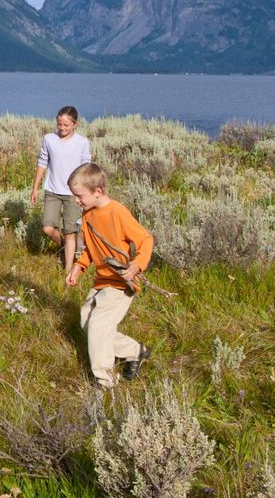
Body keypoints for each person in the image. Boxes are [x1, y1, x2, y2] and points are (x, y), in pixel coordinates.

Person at [64, 163, 154, 388]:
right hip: (102, 280)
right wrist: (79, 266)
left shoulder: (118, 212)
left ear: (97, 192)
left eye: (79, 196)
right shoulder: (87, 215)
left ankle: (105, 381)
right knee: (87, 322)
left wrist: (138, 264)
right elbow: (88, 249)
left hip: (121, 282)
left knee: (98, 327)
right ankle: (136, 351)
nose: (76, 201)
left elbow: (146, 239)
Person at [30, 106, 92, 272]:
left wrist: (86, 193)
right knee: (48, 228)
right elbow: (42, 163)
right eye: (59, 124)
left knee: (70, 231)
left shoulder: (82, 143)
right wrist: (35, 188)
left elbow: (86, 168)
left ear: (75, 124)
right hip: (52, 191)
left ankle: (68, 270)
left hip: (74, 194)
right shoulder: (49, 139)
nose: (62, 128)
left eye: (66, 125)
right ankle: (66, 247)